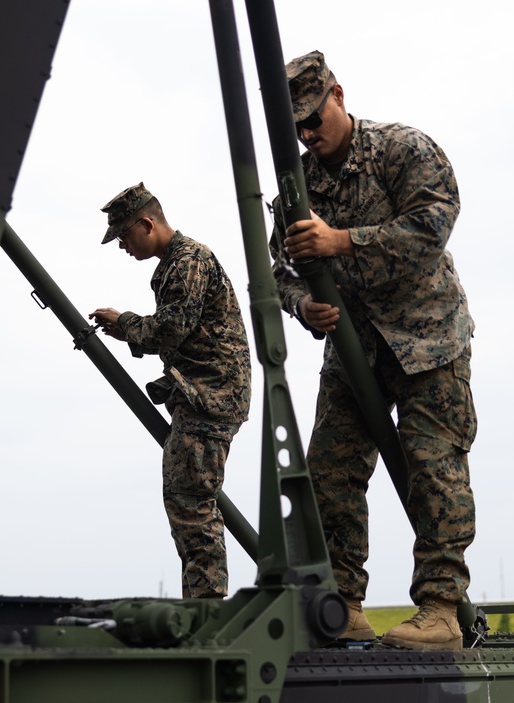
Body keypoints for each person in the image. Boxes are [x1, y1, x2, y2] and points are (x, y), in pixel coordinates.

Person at [270, 50, 476, 649]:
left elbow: (433, 226)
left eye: (313, 119)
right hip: (352, 348)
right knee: (329, 470)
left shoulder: (403, 150)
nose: (309, 135)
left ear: (338, 94)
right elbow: (277, 268)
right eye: (297, 129)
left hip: (426, 340)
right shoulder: (296, 186)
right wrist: (301, 305)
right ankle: (344, 602)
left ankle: (439, 608)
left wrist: (342, 241)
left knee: (433, 468)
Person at [90, 183, 251, 599]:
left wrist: (125, 323)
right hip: (201, 393)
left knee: (191, 503)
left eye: (124, 236)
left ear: (147, 223)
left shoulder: (187, 261)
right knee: (189, 501)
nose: (122, 246)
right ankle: (203, 605)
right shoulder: (177, 262)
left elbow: (171, 329)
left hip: (209, 397)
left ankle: (207, 610)